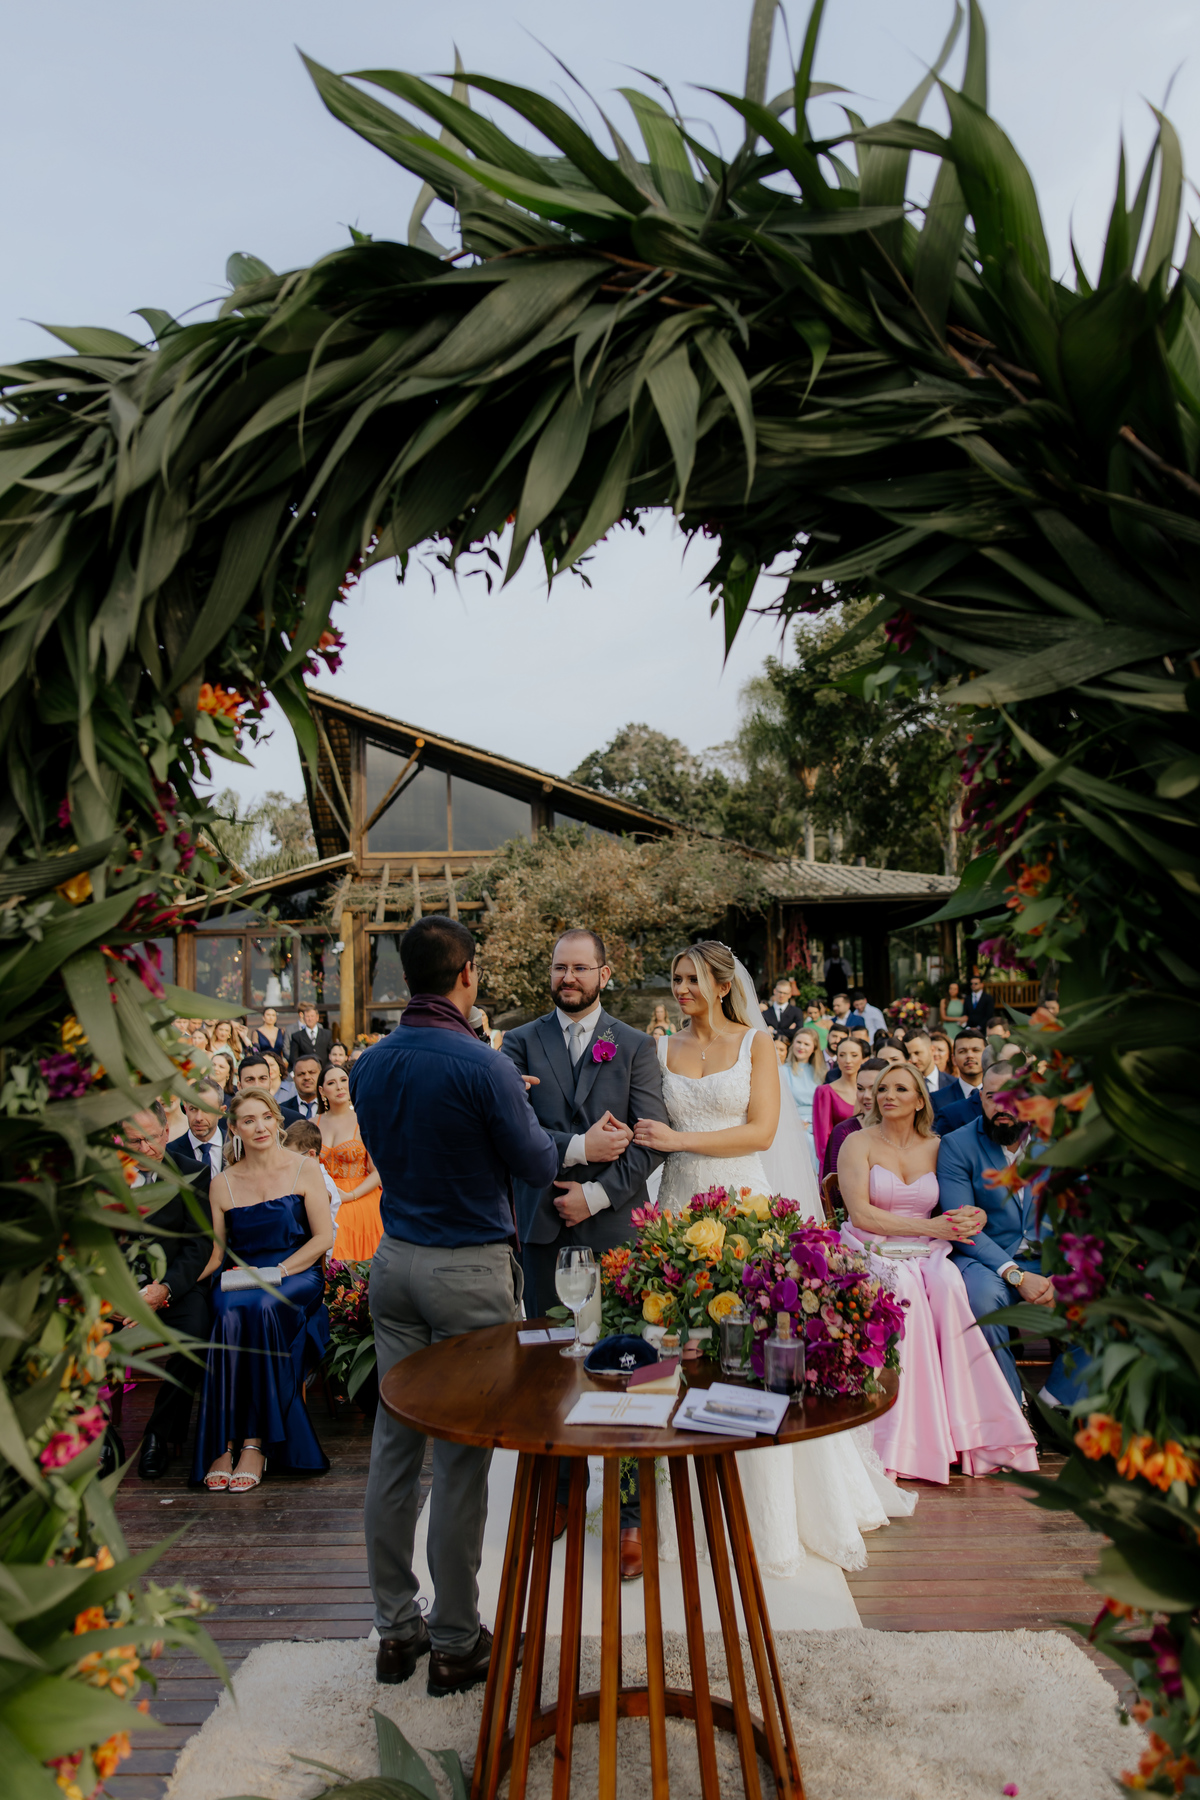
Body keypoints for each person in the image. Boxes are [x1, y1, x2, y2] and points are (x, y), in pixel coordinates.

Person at [633, 942, 916, 1576]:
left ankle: (766, 1504)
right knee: (678, 1343)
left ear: (723, 985)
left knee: (749, 1345)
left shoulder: (756, 1044)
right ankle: (677, 1499)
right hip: (677, 1202)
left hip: (743, 1204)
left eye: (693, 979)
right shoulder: (659, 1048)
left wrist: (679, 1138)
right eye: (676, 978)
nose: (681, 988)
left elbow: (761, 1131)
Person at [351, 915, 558, 1696]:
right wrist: (511, 1103)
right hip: (467, 1271)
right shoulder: (485, 1065)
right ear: (466, 972)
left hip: (395, 1261)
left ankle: (394, 1630)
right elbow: (535, 1162)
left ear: (408, 977)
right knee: (463, 1459)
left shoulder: (370, 1064)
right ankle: (456, 1639)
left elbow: (413, 1140)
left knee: (395, 1448)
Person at [503, 929, 668, 1580]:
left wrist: (594, 1196)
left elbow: (649, 1139)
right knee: (549, 1373)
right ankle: (560, 1495)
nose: (567, 977)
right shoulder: (518, 1043)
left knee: (627, 1369)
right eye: (558, 967)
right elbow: (512, 1132)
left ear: (604, 973)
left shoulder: (635, 1046)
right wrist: (577, 1151)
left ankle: (630, 1516)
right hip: (543, 1232)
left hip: (614, 1234)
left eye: (579, 967)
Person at [839, 1066, 1038, 1484]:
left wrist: (975, 1216)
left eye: (900, 1088)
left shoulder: (937, 1146)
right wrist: (930, 1227)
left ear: (919, 1100)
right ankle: (905, 1439)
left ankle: (970, 1432)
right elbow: (860, 1214)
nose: (888, 1095)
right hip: (871, 1245)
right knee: (905, 1287)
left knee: (950, 1284)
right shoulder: (857, 1142)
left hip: (927, 1249)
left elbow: (961, 1204)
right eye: (882, 1088)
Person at [193, 1091, 333, 1493]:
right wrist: (169, 1287)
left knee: (263, 1306)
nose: (260, 1127)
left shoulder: (304, 1168)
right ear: (234, 1128)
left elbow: (322, 1238)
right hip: (240, 1275)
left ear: (277, 1120)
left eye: (267, 1117)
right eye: (249, 1121)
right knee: (228, 1310)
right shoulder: (221, 1184)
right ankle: (224, 1443)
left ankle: (254, 1443)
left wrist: (277, 1271)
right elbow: (216, 1254)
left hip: (296, 1273)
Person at [940, 1063, 1090, 1412]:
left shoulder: (1061, 1141)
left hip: (1054, 1258)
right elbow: (963, 1227)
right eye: (992, 1096)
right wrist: (1015, 1274)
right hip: (988, 1260)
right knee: (981, 1301)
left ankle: (1053, 1400)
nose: (1001, 1106)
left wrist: (1067, 1273)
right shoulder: (957, 1145)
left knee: (1104, 1300)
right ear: (981, 1098)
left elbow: (1083, 1214)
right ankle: (1011, 1407)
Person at [116, 1105, 214, 1481]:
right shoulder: (104, 1178)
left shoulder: (193, 1173)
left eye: (152, 1138)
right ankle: (102, 1440)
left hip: (173, 1286)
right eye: (134, 1141)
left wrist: (165, 1289)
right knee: (79, 1339)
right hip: (117, 1294)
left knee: (195, 1336)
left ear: (166, 1131)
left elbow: (198, 1245)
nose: (145, 1148)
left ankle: (158, 1434)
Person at [319, 1061, 383, 1261]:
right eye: (331, 1083)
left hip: (360, 1198)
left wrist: (350, 1195)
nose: (339, 1086)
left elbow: (378, 1172)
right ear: (322, 1091)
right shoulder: (312, 1124)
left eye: (343, 1080)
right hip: (324, 1199)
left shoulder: (364, 1120)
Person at [825, 1057, 887, 1183]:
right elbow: (834, 1187)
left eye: (874, 1088)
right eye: (860, 1088)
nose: (866, 1096)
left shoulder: (903, 1131)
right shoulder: (844, 1131)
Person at [284, 1117, 344, 1231]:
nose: (287, 1161)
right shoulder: (300, 1176)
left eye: (292, 1156)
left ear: (310, 1154)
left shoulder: (324, 1183)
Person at [812, 1035, 865, 1163]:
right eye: (842, 1055)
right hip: (838, 1162)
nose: (848, 1060)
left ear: (863, 1058)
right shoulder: (825, 1092)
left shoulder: (872, 1092)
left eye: (854, 1055)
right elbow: (823, 1141)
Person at [931, 1028, 987, 1136]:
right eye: (962, 1051)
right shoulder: (938, 1099)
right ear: (953, 1059)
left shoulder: (999, 1096)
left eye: (976, 1050)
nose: (970, 1055)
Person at [783, 1029, 825, 1168]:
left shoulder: (821, 1073)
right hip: (791, 1123)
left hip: (817, 1124)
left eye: (806, 1044)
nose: (801, 1047)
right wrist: (794, 1122)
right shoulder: (782, 1071)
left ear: (814, 1048)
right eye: (798, 1042)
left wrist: (814, 1124)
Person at [168, 1077, 228, 1173]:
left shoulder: (238, 1147)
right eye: (193, 1109)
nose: (198, 1118)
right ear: (186, 1109)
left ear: (221, 1112)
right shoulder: (170, 1153)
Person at [906, 1030, 954, 1098]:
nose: (913, 1060)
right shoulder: (904, 1085)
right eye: (908, 1055)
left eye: (917, 1053)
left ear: (932, 1050)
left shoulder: (953, 1084)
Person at [281, 1054, 322, 1123]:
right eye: (301, 1074)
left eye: (312, 1072)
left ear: (321, 1076)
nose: (307, 1077)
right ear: (294, 1079)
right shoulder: (282, 1110)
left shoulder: (331, 1107)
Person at [289, 1003, 332, 1068]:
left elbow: (331, 1054)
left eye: (312, 1016)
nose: (310, 1019)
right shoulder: (297, 1036)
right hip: (305, 1070)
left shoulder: (327, 1034)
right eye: (307, 1016)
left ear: (317, 1017)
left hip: (324, 1069)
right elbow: (294, 1058)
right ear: (304, 1018)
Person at [761, 978, 802, 1044]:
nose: (782, 995)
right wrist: (788, 1031)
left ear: (790, 994)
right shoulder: (765, 1013)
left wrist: (774, 1031)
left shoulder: (797, 1012)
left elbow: (798, 1032)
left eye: (785, 993)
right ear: (774, 991)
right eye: (779, 992)